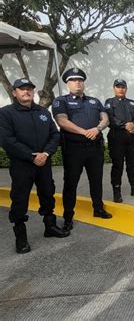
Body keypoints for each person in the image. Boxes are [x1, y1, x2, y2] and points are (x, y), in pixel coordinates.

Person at [0, 78, 69, 253]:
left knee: (47, 193)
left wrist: (45, 153)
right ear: (15, 92)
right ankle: (21, 237)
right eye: (22, 89)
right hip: (22, 165)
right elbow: (7, 141)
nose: (26, 92)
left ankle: (50, 226)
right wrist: (32, 156)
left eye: (29, 89)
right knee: (20, 199)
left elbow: (55, 135)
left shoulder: (43, 112)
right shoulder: (6, 113)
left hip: (43, 162)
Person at [52, 68, 112, 233]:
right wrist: (84, 132)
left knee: (96, 181)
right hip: (73, 149)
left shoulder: (93, 101)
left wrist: (98, 128)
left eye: (80, 79)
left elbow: (105, 117)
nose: (77, 82)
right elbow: (62, 121)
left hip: (95, 148)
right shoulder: (61, 101)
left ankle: (98, 209)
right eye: (73, 80)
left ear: (83, 82)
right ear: (67, 83)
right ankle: (68, 216)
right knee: (70, 184)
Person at [104, 79, 134, 203]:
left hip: (132, 139)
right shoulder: (109, 102)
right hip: (117, 138)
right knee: (118, 166)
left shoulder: (132, 103)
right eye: (118, 87)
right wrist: (124, 125)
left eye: (123, 87)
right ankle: (116, 191)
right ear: (114, 88)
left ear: (126, 89)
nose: (121, 89)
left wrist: (133, 124)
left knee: (132, 165)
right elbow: (109, 118)